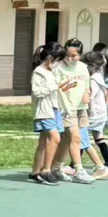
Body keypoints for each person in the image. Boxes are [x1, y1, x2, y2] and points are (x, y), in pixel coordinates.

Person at [54, 38, 96, 183]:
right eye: (67, 55)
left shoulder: (83, 67)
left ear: (80, 55)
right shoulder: (58, 67)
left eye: (74, 55)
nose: (70, 58)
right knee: (75, 138)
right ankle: (79, 170)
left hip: (81, 108)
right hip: (67, 108)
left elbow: (87, 86)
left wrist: (87, 94)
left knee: (67, 139)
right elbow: (55, 87)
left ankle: (56, 167)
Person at [30, 43, 64, 186]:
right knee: (55, 138)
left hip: (54, 108)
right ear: (50, 58)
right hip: (45, 110)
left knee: (44, 141)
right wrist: (55, 87)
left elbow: (54, 90)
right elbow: (37, 92)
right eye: (58, 59)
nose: (58, 63)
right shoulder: (38, 72)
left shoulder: (51, 71)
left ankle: (35, 171)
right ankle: (46, 170)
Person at [83, 51, 108, 173]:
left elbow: (91, 97)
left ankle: (74, 165)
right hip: (101, 113)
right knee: (99, 138)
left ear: (91, 65)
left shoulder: (93, 79)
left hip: (94, 114)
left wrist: (89, 110)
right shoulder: (100, 76)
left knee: (82, 137)